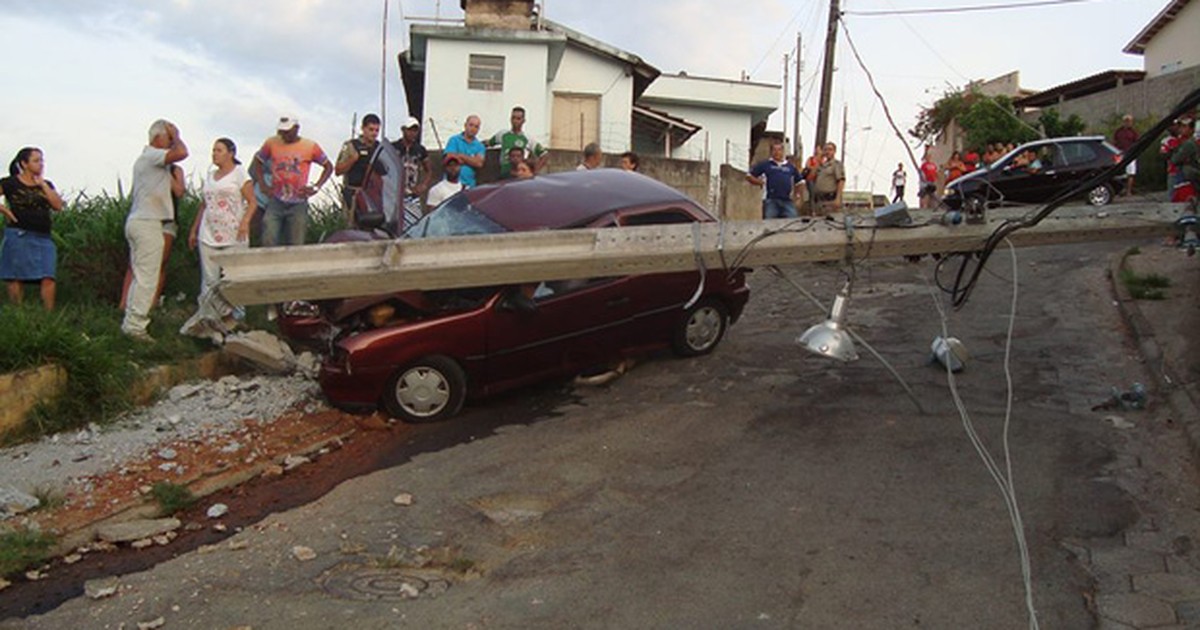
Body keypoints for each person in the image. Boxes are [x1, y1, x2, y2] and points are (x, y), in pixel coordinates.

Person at [182, 138, 256, 341]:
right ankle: (209, 319)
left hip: (234, 233)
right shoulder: (210, 176)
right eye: (213, 150)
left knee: (235, 277)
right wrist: (194, 229)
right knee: (209, 279)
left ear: (230, 153)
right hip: (209, 232)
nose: (214, 154)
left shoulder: (239, 174)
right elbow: (204, 204)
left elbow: (252, 202)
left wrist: (245, 222)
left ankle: (237, 318)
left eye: (219, 150)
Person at [122, 120, 189, 341]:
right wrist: (176, 135)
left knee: (140, 275)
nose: (171, 144)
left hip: (141, 220)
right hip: (147, 222)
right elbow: (182, 152)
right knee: (147, 277)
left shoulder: (147, 160)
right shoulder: (152, 155)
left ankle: (131, 321)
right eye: (168, 139)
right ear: (159, 138)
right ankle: (136, 326)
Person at [251, 115, 333, 248]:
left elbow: (328, 166)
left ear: (296, 129)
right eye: (281, 132)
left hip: (298, 201)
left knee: (296, 242)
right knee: (268, 235)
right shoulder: (271, 143)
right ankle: (270, 266)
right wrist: (262, 184)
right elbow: (258, 161)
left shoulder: (310, 146)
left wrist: (316, 187)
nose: (284, 135)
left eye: (287, 132)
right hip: (276, 199)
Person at [0, 147, 64, 310]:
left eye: (42, 160)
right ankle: (18, 313)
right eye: (36, 160)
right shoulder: (11, 183)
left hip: (43, 236)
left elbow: (57, 206)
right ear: (24, 163)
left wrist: (43, 185)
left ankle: (49, 316)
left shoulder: (46, 184)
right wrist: (5, 210)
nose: (41, 164)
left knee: (48, 275)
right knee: (15, 276)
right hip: (19, 234)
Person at [118, 164, 183, 312]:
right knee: (134, 263)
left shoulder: (175, 170)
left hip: (166, 221)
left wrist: (166, 174)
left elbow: (179, 191)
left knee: (160, 263)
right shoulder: (147, 167)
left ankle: (151, 304)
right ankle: (124, 304)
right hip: (145, 218)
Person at [334, 113, 382, 225]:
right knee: (351, 226)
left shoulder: (380, 148)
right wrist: (352, 159)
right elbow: (338, 170)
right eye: (371, 129)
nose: (374, 133)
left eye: (376, 130)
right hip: (353, 194)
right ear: (363, 128)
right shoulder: (351, 146)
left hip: (373, 196)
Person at [745, 140, 804, 219]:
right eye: (774, 150)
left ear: (783, 151)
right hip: (771, 200)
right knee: (769, 224)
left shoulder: (790, 167)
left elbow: (800, 182)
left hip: (787, 201)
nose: (777, 152)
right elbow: (749, 176)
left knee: (793, 223)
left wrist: (797, 195)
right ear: (771, 152)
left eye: (779, 150)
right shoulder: (765, 165)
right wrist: (760, 182)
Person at [485, 106, 547, 178]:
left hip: (519, 176)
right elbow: (488, 143)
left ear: (523, 120)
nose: (515, 121)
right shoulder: (502, 134)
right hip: (504, 175)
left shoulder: (528, 139)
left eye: (518, 119)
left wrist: (534, 172)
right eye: (513, 118)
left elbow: (544, 155)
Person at [392, 117, 432, 229]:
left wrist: (423, 185)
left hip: (412, 195)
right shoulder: (393, 147)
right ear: (403, 130)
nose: (413, 133)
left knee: (414, 227)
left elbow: (429, 170)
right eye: (410, 130)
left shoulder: (420, 150)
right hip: (395, 195)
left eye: (415, 130)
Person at [443, 115, 486, 188]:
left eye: (476, 127)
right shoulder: (454, 140)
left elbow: (479, 163)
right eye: (471, 125)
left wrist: (460, 156)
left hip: (469, 186)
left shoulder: (480, 146)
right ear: (465, 125)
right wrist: (471, 160)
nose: (473, 129)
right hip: (451, 184)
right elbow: (449, 157)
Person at [811, 142, 846, 213]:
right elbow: (812, 176)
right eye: (826, 150)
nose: (827, 152)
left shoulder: (836, 164)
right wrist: (818, 158)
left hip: (830, 199)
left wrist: (838, 198)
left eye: (830, 150)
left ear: (834, 151)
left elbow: (841, 181)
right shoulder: (821, 166)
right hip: (819, 200)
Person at [1113, 114, 1139, 197]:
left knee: (1130, 173)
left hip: (1130, 154)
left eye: (1129, 121)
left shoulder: (1133, 132)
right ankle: (1119, 190)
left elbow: (1137, 142)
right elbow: (1115, 141)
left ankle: (1128, 191)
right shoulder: (1118, 131)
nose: (1127, 123)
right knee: (1118, 173)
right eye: (1126, 121)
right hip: (1120, 153)